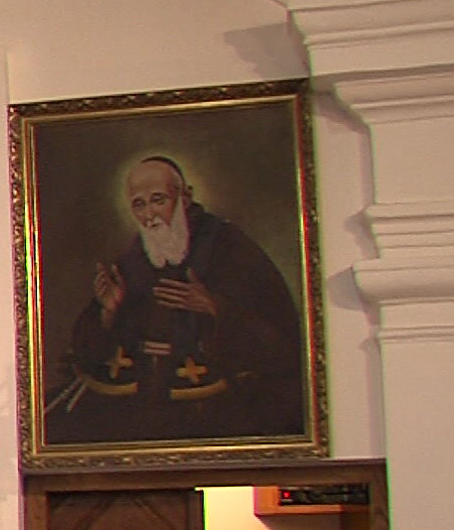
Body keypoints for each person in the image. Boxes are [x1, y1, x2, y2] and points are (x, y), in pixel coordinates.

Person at [47, 156, 303, 445]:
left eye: (158, 200)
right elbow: (86, 354)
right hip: (141, 397)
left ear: (185, 197)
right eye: (139, 204)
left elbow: (281, 340)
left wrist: (215, 308)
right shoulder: (133, 257)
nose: (149, 215)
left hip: (215, 401)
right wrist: (108, 313)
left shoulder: (228, 246)